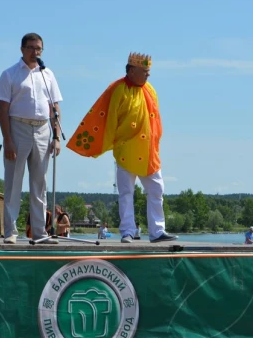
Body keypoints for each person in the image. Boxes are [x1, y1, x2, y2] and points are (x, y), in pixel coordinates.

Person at [67, 52, 177, 243]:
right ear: (132, 70)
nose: (148, 75)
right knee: (126, 192)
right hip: (126, 150)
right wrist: (108, 143)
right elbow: (108, 120)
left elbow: (155, 121)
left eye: (149, 72)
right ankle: (128, 231)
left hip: (149, 152)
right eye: (145, 71)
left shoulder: (150, 90)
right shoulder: (118, 89)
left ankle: (158, 231)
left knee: (157, 190)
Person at [0, 33, 62, 244]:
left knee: (39, 183)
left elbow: (55, 106)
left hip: (42, 129)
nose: (35, 52)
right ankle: (10, 232)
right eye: (31, 48)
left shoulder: (47, 74)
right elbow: (2, 110)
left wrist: (56, 136)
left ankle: (40, 232)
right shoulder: (10, 74)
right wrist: (8, 139)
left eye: (39, 48)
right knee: (14, 182)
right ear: (22, 49)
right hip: (18, 127)